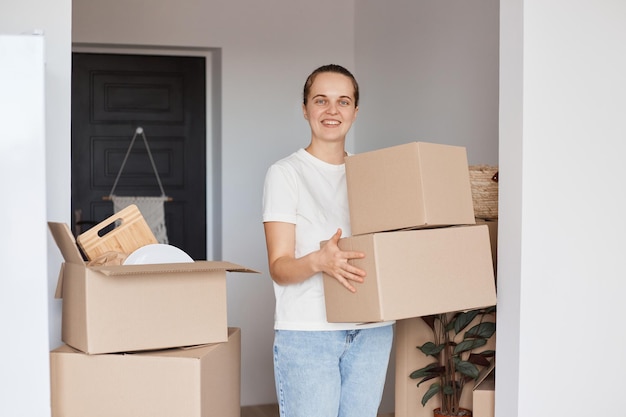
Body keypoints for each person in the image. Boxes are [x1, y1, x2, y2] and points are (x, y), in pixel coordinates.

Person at [262, 64, 394, 417]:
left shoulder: (371, 174)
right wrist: (318, 261)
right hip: (309, 332)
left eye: (343, 101)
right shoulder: (285, 174)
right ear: (305, 109)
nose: (332, 111)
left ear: (355, 111)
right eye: (321, 100)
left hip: (372, 329)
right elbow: (279, 267)